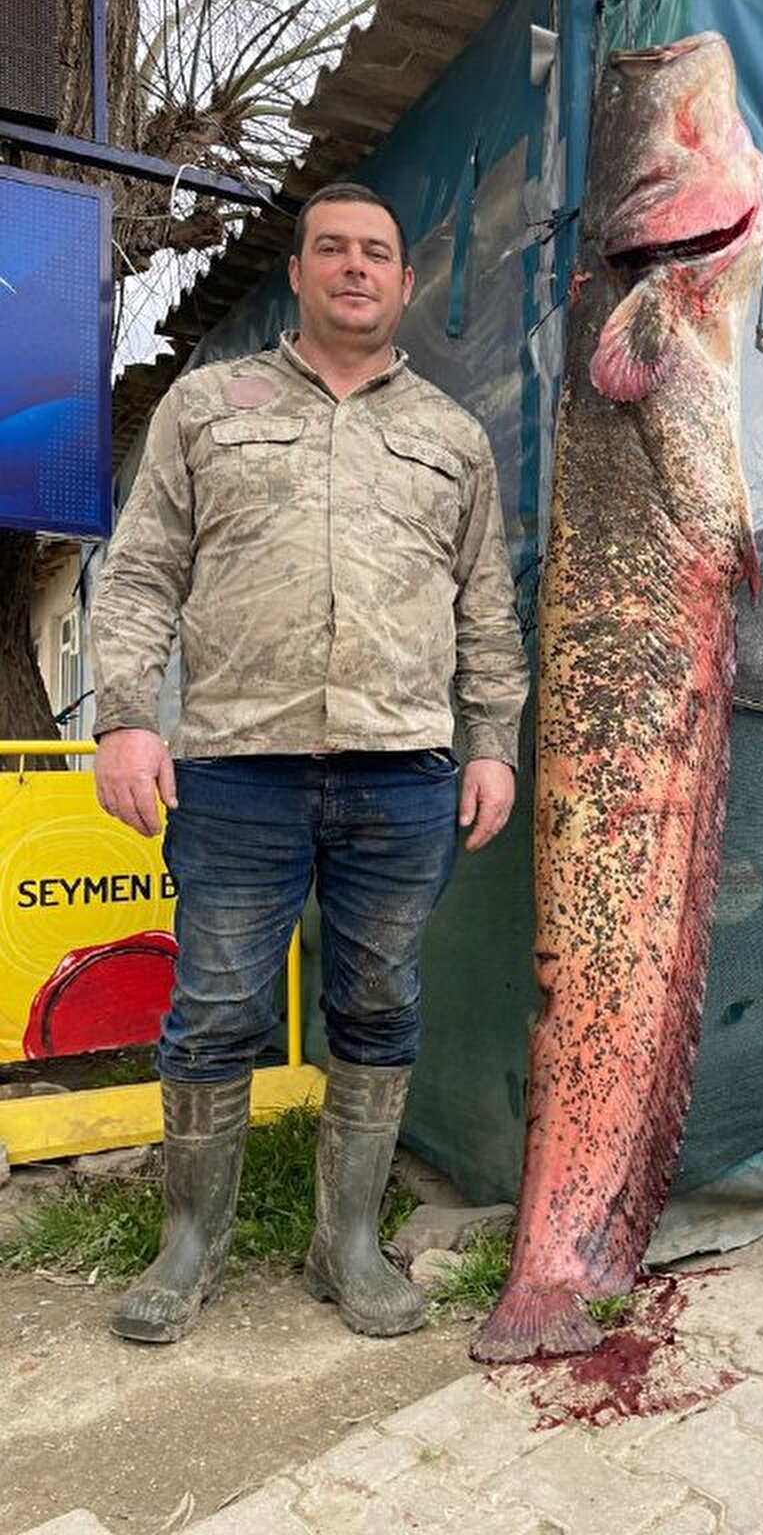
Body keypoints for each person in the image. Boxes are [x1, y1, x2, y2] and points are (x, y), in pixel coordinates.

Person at [90, 181, 528, 1341]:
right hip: (240, 766)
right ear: (297, 273)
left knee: (380, 1004)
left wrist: (492, 743)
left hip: (401, 769)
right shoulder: (206, 406)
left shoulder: (452, 437)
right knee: (216, 1006)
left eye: (376, 252)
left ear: (405, 280)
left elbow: (487, 609)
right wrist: (127, 716)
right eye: (331, 249)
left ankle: (348, 1244)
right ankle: (191, 1242)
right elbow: (141, 571)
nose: (354, 267)